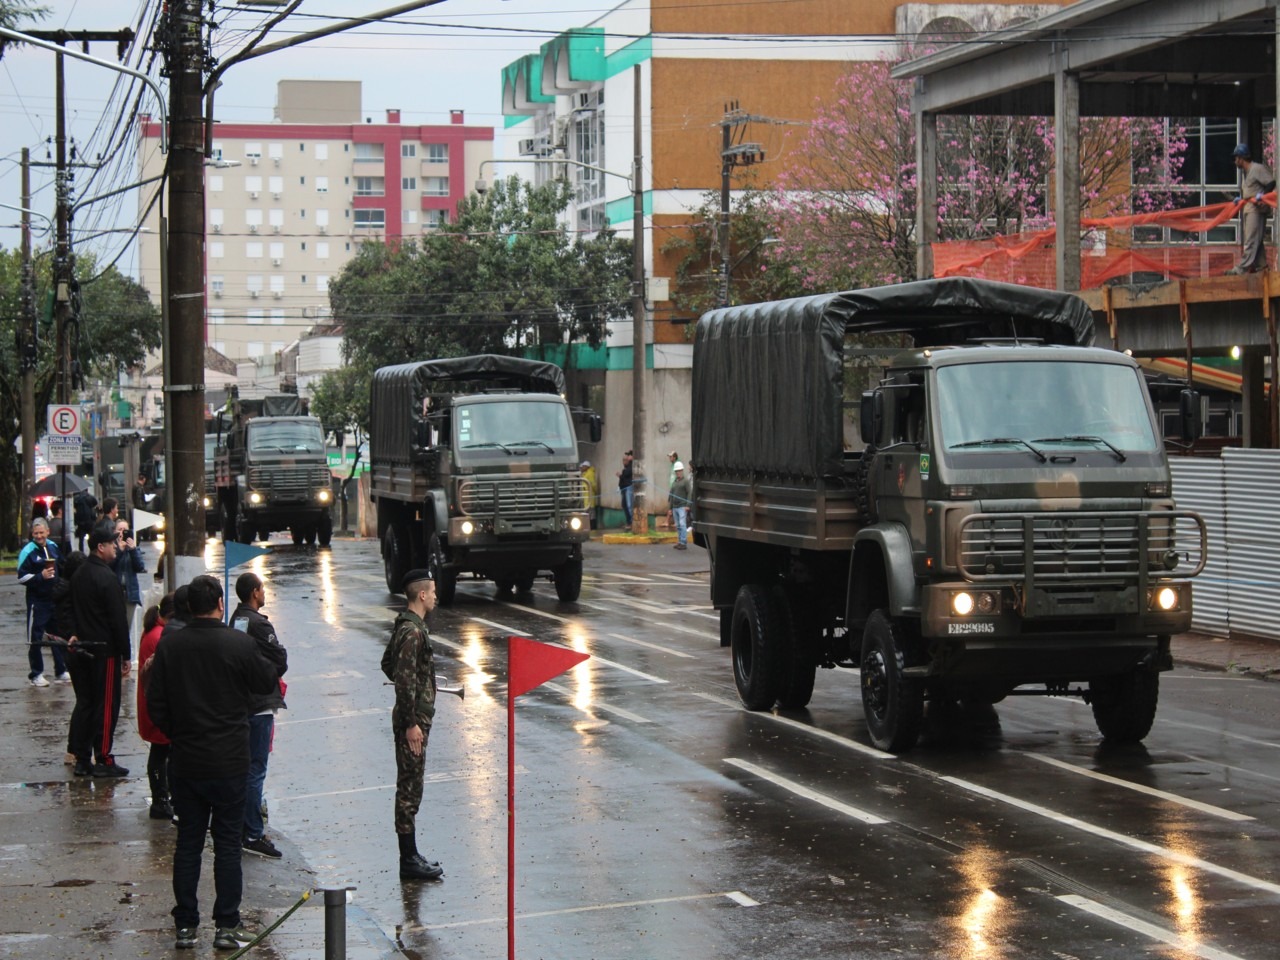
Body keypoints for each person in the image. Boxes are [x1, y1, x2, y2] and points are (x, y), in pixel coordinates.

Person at [146, 574, 279, 951]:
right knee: (226, 845)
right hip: (229, 761)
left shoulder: (172, 646)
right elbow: (266, 677)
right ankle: (226, 924)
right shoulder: (237, 643)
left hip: (187, 760)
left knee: (188, 843)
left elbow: (156, 704)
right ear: (220, 603)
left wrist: (179, 732)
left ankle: (186, 925)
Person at [389, 569, 444, 882]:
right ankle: (408, 859)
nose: (435, 596)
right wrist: (411, 723)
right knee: (409, 789)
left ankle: (411, 853)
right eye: (432, 591)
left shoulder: (406, 627)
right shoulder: (413, 633)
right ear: (421, 595)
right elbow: (404, 679)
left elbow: (389, 665)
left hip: (414, 716)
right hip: (413, 721)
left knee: (411, 785)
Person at [230, 572, 288, 860]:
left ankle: (244, 826)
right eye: (263, 589)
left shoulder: (237, 620)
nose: (265, 593)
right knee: (256, 768)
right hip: (259, 704)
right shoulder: (259, 623)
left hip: (241, 702)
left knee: (245, 768)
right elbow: (280, 661)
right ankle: (253, 831)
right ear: (255, 592)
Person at [68, 520, 131, 777]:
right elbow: (118, 620)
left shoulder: (79, 574)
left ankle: (82, 757)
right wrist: (126, 654)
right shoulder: (106, 577)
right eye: (113, 544)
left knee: (87, 703)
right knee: (106, 705)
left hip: (82, 649)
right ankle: (103, 757)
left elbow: (69, 610)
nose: (116, 548)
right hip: (104, 652)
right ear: (100, 547)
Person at [18, 517, 68, 686]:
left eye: (41, 532)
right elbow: (21, 577)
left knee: (57, 636)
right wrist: (40, 576)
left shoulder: (53, 547)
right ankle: (36, 674)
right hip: (37, 601)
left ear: (48, 532)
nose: (39, 536)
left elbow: (62, 567)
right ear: (32, 534)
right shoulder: (28, 551)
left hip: (54, 600)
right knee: (36, 637)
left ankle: (61, 670)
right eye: (36, 533)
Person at [137, 596, 173, 821]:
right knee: (160, 754)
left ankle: (161, 798)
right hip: (157, 705)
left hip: (151, 703)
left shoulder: (154, 632)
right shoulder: (158, 637)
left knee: (160, 753)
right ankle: (160, 799)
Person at [1228, 143, 1276, 275]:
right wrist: (1240, 198)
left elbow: (1271, 182)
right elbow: (1249, 190)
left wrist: (1263, 196)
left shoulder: (1257, 168)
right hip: (1248, 208)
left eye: (1236, 158)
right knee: (1257, 240)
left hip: (1256, 209)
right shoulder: (1246, 173)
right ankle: (1262, 267)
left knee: (1251, 239)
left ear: (1241, 158)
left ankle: (1241, 269)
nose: (1235, 161)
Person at [113, 519, 148, 643]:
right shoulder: (112, 548)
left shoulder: (134, 548)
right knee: (114, 627)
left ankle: (124, 657)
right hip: (115, 593)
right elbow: (110, 565)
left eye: (125, 530)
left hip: (129, 594)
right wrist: (119, 551)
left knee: (126, 628)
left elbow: (140, 566)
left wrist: (132, 550)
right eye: (119, 530)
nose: (122, 533)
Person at [666, 461, 693, 550]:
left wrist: (688, 504)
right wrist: (670, 508)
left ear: (682, 471)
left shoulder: (685, 481)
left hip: (682, 506)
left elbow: (689, 493)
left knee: (682, 524)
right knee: (678, 525)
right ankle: (680, 541)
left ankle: (683, 542)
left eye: (679, 470)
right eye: (676, 471)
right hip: (675, 507)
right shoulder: (674, 482)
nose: (678, 472)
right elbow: (671, 495)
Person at [615, 449, 634, 528]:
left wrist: (620, 475)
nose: (627, 458)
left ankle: (632, 522)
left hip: (628, 488)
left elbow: (627, 476)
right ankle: (629, 522)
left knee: (629, 505)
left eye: (629, 455)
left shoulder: (631, 466)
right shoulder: (625, 468)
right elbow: (623, 478)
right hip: (624, 488)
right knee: (624, 505)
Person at [579, 460, 600, 530]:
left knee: (591, 513)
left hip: (589, 496)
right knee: (588, 513)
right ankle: (589, 527)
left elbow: (593, 485)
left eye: (584, 466)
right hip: (587, 497)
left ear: (587, 467)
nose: (582, 468)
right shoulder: (585, 474)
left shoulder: (590, 474)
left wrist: (595, 492)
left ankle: (593, 527)